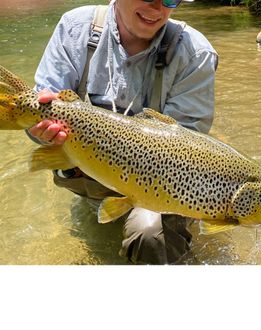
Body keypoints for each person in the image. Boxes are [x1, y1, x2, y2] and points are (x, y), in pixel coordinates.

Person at [27, 0, 218, 264]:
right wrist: (39, 129)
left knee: (152, 235)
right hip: (86, 173)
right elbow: (38, 111)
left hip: (160, 185)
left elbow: (184, 159)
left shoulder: (196, 54)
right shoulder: (75, 28)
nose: (157, 9)